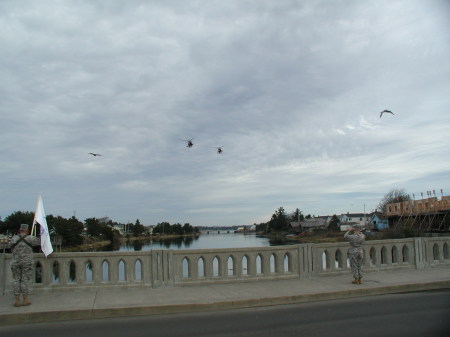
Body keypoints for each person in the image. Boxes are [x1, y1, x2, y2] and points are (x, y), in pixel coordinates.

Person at [9, 224, 39, 307]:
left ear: (20, 229)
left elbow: (10, 247)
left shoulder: (14, 238)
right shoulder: (30, 238)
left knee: (16, 280)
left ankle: (17, 301)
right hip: (26, 262)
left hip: (15, 262)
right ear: (27, 230)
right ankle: (25, 300)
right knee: (24, 280)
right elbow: (38, 242)